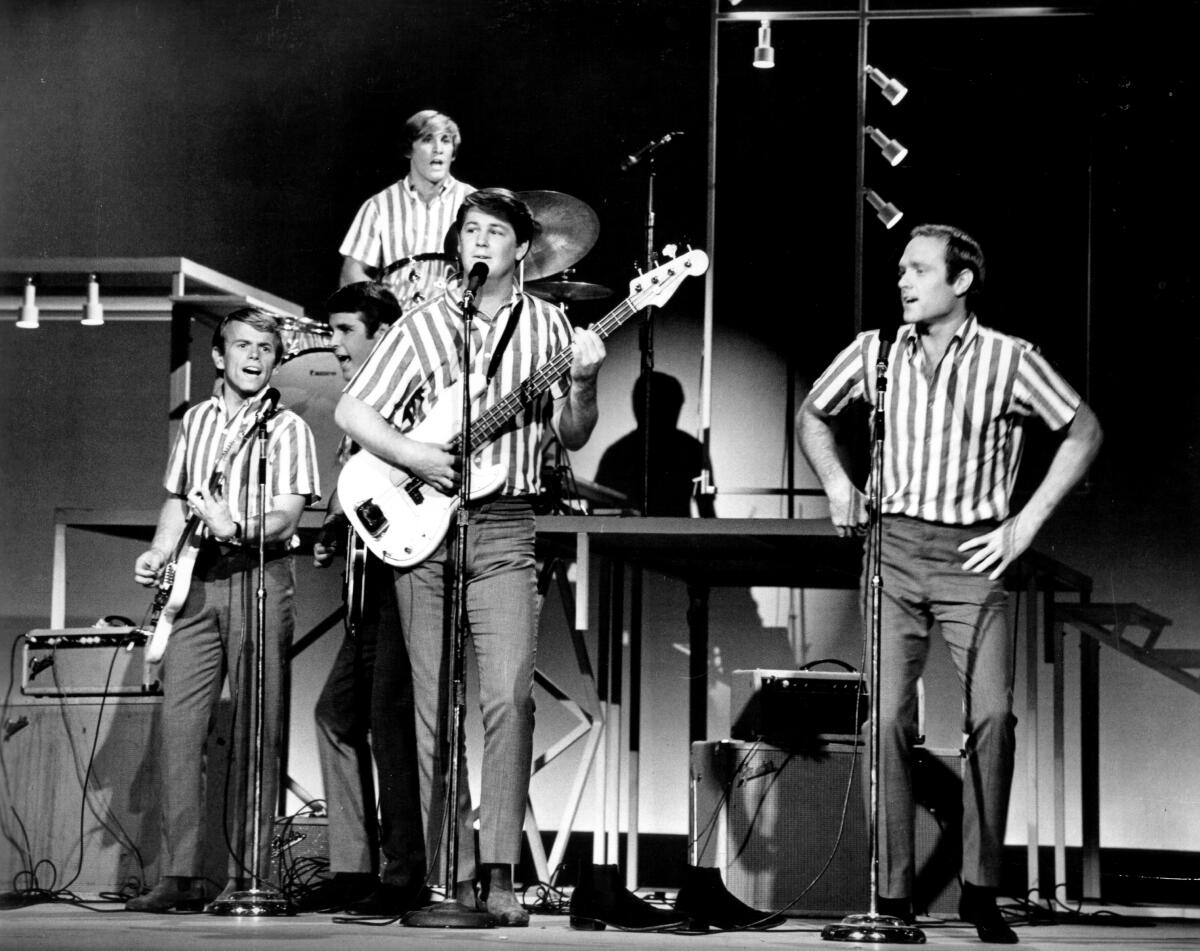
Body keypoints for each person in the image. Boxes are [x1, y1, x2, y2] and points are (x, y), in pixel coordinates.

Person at [798, 224, 1102, 944]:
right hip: (894, 548)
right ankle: (894, 892)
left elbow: (1083, 429)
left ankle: (980, 886)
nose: (903, 281)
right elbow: (814, 413)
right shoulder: (875, 353)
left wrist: (1024, 525)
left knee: (992, 716)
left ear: (961, 281)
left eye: (920, 270)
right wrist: (839, 482)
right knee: (889, 721)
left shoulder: (1009, 359)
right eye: (901, 269)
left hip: (972, 556)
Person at [334, 188, 607, 926]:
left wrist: (580, 380)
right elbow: (352, 410)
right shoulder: (425, 325)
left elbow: (575, 434)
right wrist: (413, 452)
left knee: (508, 698)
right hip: (426, 533)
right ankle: (443, 872)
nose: (478, 241)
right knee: (431, 707)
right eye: (470, 231)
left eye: (494, 232)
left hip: (506, 527)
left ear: (523, 247)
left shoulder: (551, 324)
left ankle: (498, 870)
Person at [128, 307, 320, 912]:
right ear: (219, 355)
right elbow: (177, 500)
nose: (255, 356)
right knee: (181, 731)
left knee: (257, 731)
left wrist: (234, 526)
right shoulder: (196, 421)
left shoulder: (287, 429)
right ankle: (180, 875)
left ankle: (248, 878)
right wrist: (158, 553)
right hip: (198, 585)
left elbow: (288, 516)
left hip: (260, 577)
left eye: (266, 347)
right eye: (242, 345)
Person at [299, 282, 430, 915]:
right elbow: (364, 493)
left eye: (347, 331)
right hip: (365, 592)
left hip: (402, 586)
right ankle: (354, 866)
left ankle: (404, 873)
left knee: (390, 725)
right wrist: (333, 531)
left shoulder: (408, 398)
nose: (336, 344)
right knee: (334, 715)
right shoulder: (357, 405)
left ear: (382, 335)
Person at [339, 109, 475, 311]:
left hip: (453, 318)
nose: (438, 149)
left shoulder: (473, 203)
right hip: (398, 322)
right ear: (409, 149)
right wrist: (384, 309)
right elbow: (351, 272)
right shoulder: (380, 205)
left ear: (453, 152)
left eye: (446, 141)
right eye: (428, 140)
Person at [594, 370, 715, 517]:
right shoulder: (692, 450)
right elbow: (708, 512)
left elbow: (707, 510)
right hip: (662, 537)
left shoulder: (617, 453)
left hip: (658, 538)